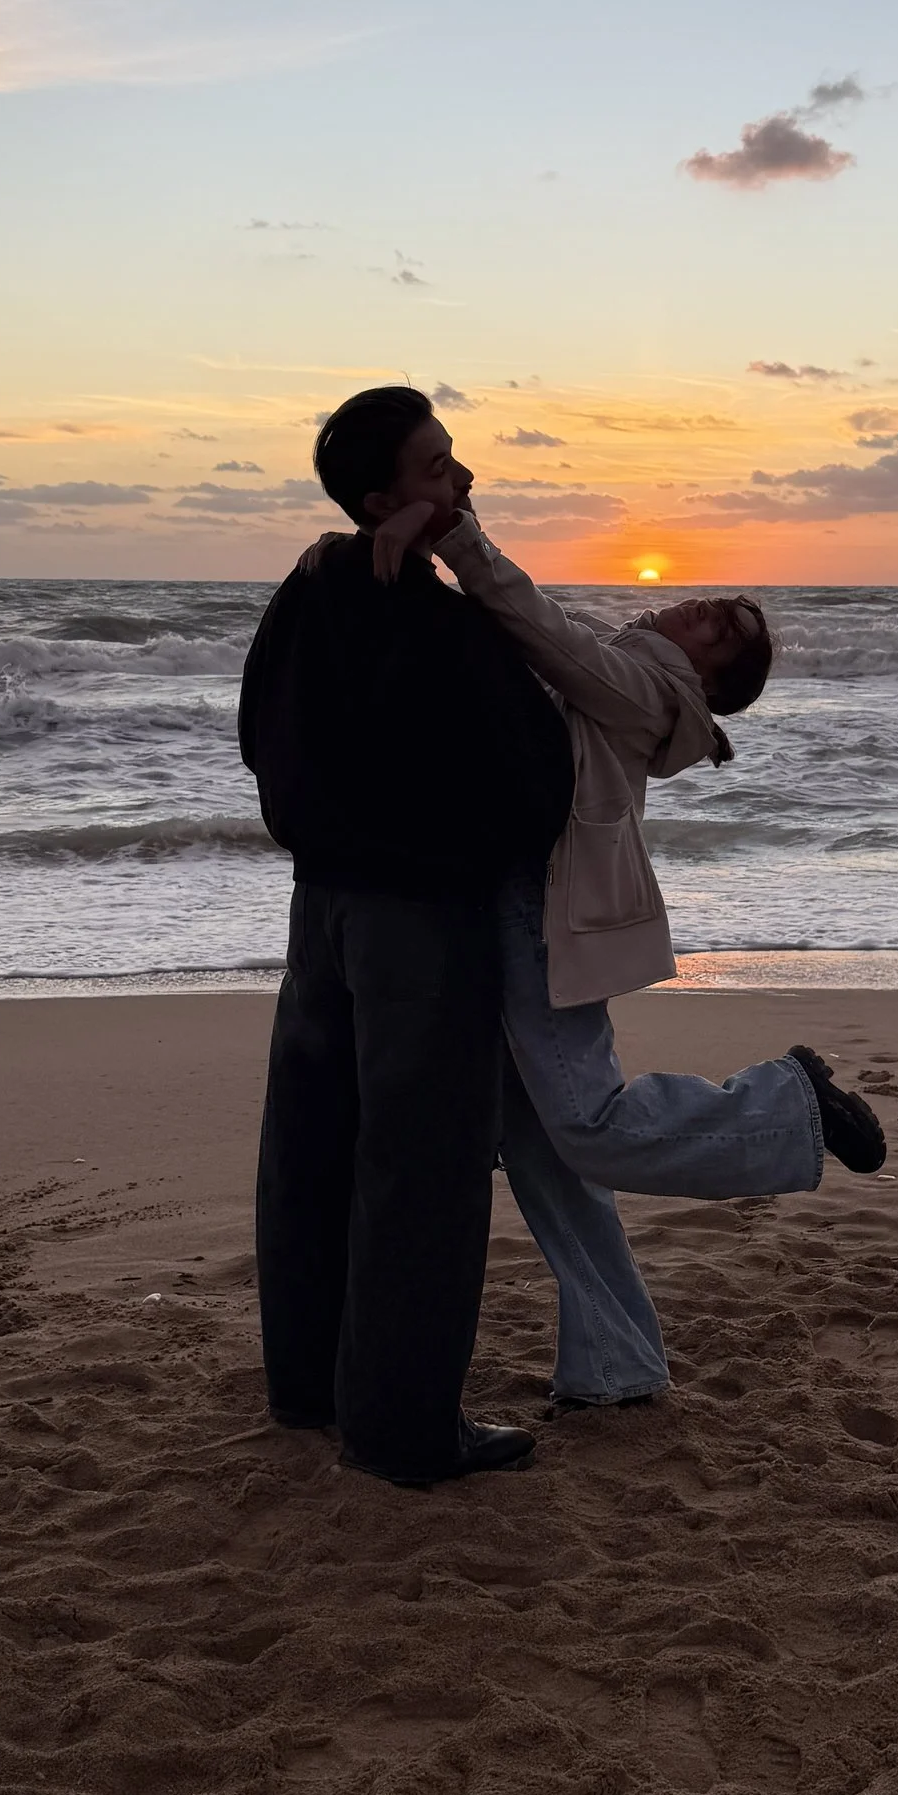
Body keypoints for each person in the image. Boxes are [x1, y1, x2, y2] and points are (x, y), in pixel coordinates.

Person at [359, 485, 885, 1412]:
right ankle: (617, 1360)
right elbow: (542, 643)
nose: (703, 611)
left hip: (543, 915)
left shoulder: (649, 689)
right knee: (545, 1155)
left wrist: (459, 538)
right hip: (518, 902)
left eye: (721, 630)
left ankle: (788, 1098)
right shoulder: (630, 661)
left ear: (710, 678)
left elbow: (543, 633)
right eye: (715, 604)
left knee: (587, 1126)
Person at [237, 389, 574, 1488]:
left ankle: (306, 1387)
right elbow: (533, 775)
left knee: (312, 1148)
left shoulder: (311, 588)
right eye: (438, 468)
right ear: (385, 498)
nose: (462, 477)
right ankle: (401, 1427)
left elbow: (256, 730)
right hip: (421, 917)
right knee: (420, 1171)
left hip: (321, 906)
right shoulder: (432, 622)